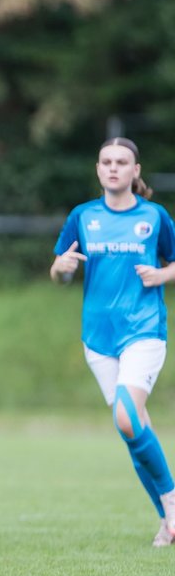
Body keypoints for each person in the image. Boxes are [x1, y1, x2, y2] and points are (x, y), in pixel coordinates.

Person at [50, 137, 175, 547]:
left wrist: (163, 275)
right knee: (133, 428)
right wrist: (63, 269)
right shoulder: (82, 217)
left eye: (123, 162)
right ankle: (167, 521)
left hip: (144, 329)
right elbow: (61, 270)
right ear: (98, 169)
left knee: (126, 416)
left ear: (136, 171)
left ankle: (172, 505)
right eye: (107, 161)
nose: (114, 168)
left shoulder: (155, 217)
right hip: (98, 338)